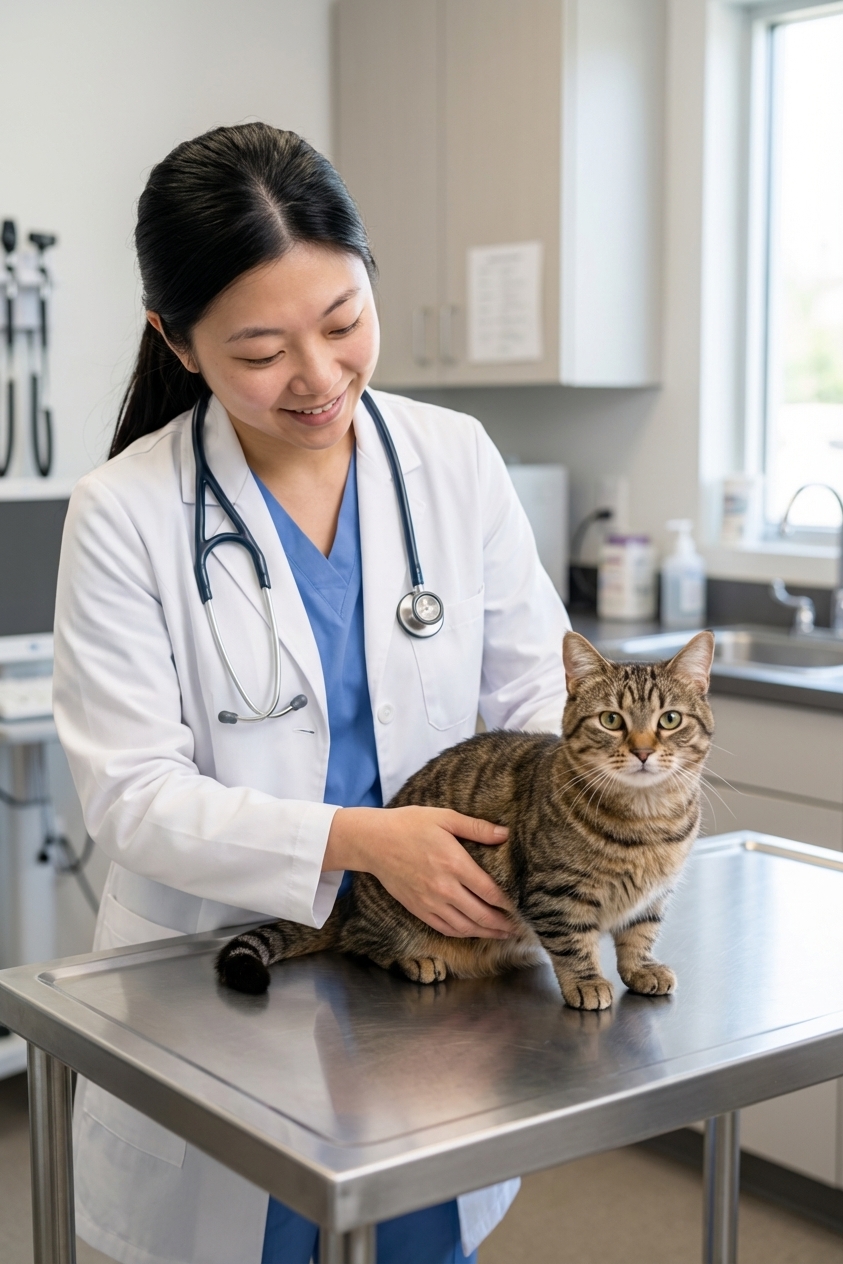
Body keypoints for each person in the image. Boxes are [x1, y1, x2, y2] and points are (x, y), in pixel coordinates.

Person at [53, 122, 569, 1264]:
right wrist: (363, 839)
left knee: (423, 1235)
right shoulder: (126, 512)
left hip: (431, 972)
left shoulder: (456, 460)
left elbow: (539, 701)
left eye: (344, 323)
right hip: (225, 985)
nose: (320, 378)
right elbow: (133, 795)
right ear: (176, 343)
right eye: (259, 351)